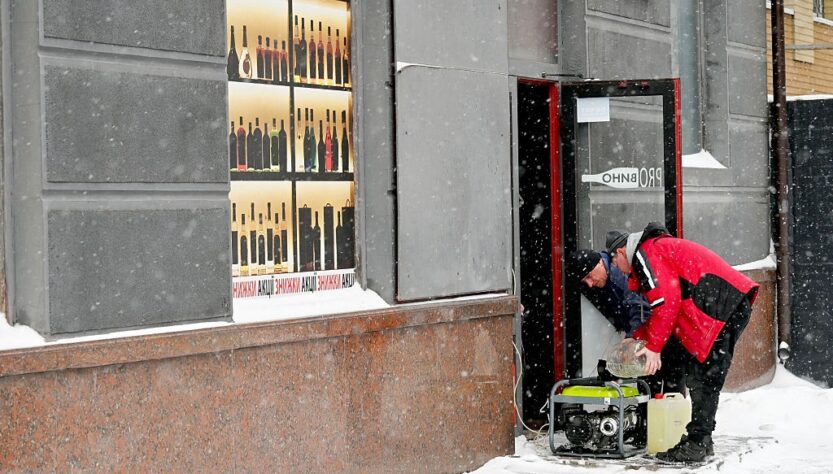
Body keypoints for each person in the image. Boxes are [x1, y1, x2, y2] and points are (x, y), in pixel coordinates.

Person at [610, 222, 759, 463]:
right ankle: (701, 440)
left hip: (720, 303)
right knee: (702, 372)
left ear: (619, 252)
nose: (620, 271)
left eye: (617, 265)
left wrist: (655, 348)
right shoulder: (653, 250)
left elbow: (665, 301)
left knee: (705, 375)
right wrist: (639, 339)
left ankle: (697, 443)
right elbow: (663, 307)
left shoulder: (646, 252)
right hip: (722, 303)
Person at [566, 233, 686, 396]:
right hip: (653, 332)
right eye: (584, 281)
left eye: (589, 276)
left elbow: (639, 307)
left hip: (662, 332)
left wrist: (631, 335)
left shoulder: (618, 273)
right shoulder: (605, 276)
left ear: (599, 263)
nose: (590, 283)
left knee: (660, 384)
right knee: (656, 386)